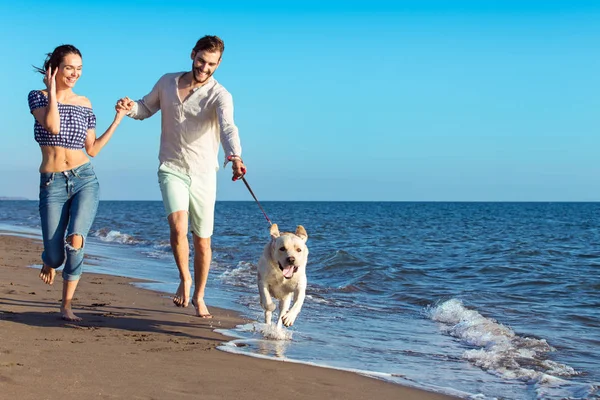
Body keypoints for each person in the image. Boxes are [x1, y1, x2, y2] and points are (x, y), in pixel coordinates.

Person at [116, 35, 246, 319]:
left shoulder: (220, 95)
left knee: (202, 241)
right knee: (177, 227)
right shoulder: (167, 82)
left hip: (203, 173)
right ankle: (185, 278)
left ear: (219, 63)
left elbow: (227, 127)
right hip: (171, 167)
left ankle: (199, 295)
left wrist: (234, 156)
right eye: (201, 60)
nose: (205, 67)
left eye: (212, 64)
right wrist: (129, 108)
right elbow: (146, 107)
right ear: (192, 55)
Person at [29, 44, 127, 321]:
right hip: (52, 183)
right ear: (55, 69)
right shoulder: (37, 97)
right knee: (56, 256)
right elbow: (53, 126)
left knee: (76, 240)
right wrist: (51, 90)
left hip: (84, 179)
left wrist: (118, 119)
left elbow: (92, 148)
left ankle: (67, 305)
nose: (74, 74)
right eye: (69, 68)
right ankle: (49, 259)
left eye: (79, 69)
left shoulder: (85, 103)